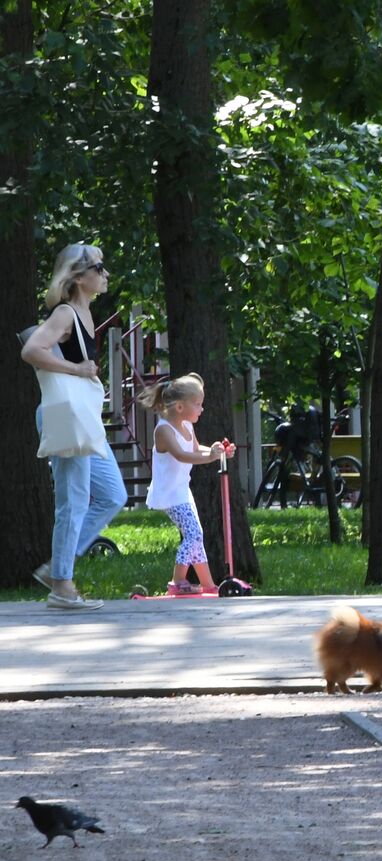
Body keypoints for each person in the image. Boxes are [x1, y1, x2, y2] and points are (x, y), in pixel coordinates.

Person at [20, 244, 129, 610]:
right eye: (99, 268)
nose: (105, 274)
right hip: (65, 416)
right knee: (73, 501)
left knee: (113, 494)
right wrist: (77, 369)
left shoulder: (85, 313)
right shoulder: (65, 314)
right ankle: (62, 586)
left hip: (82, 418)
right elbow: (32, 349)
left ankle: (58, 568)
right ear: (79, 277)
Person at [135, 373, 235, 595]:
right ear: (180, 407)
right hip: (169, 494)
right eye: (197, 404)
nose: (201, 409)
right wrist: (209, 458)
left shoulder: (187, 426)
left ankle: (208, 585)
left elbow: (195, 449)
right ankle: (177, 582)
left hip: (182, 491)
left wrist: (216, 452)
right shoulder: (164, 430)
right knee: (194, 534)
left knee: (195, 536)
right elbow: (181, 455)